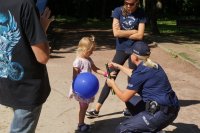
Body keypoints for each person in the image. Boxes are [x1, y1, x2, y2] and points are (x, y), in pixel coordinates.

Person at [0, 0, 54, 132]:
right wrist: (42, 28)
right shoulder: (26, 5)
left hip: (6, 81)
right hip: (27, 88)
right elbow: (43, 57)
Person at [86, 0, 146, 117]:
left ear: (137, 3)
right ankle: (96, 109)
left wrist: (124, 32)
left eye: (132, 4)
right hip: (121, 49)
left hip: (135, 50)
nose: (128, 6)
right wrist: (133, 31)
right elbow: (115, 33)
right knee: (110, 76)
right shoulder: (118, 11)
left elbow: (140, 35)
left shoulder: (141, 13)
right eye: (126, 3)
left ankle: (130, 108)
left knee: (133, 79)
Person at [106, 41, 180, 133]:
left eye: (131, 54)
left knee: (122, 129)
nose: (130, 56)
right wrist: (118, 66)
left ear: (135, 57)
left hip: (162, 114)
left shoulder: (140, 73)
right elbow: (133, 74)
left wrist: (112, 83)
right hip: (172, 109)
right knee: (131, 100)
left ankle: (150, 127)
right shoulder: (153, 65)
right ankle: (146, 125)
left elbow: (124, 97)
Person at [69, 35, 108, 132]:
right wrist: (73, 89)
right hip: (82, 89)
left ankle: (81, 123)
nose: (92, 52)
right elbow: (74, 77)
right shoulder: (78, 62)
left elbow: (95, 69)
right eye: (90, 51)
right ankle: (80, 125)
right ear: (83, 49)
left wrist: (104, 73)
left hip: (88, 89)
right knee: (83, 108)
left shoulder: (88, 59)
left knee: (85, 107)